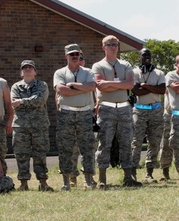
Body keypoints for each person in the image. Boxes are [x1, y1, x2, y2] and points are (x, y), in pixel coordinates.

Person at [93, 35, 141, 188]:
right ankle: (102, 179)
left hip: (124, 107)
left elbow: (130, 84)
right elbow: (100, 86)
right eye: (109, 44)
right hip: (106, 108)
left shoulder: (126, 64)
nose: (113, 47)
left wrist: (110, 84)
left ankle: (128, 177)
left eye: (115, 44)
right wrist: (121, 84)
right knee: (104, 143)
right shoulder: (98, 66)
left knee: (126, 142)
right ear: (103, 47)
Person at [53, 43, 97, 190]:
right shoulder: (59, 73)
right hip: (66, 113)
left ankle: (89, 180)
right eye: (72, 54)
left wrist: (72, 85)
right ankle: (66, 181)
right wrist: (81, 88)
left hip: (85, 112)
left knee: (87, 147)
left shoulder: (88, 71)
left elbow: (91, 87)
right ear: (66, 56)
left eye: (77, 54)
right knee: (66, 147)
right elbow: (60, 90)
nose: (75, 57)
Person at [10, 60, 53, 191]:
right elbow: (13, 103)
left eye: (30, 68)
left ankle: (43, 182)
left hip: (39, 125)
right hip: (21, 126)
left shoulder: (42, 85)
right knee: (21, 154)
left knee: (40, 153)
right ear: (21, 72)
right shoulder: (16, 87)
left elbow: (40, 100)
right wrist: (30, 102)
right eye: (25, 68)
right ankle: (23, 183)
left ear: (35, 72)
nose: (27, 69)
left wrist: (22, 102)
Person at [130, 47, 167, 183]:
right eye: (144, 55)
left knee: (154, 142)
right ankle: (133, 172)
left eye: (149, 55)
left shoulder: (159, 73)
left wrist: (144, 85)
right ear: (139, 57)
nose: (147, 57)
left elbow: (162, 90)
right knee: (136, 142)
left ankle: (149, 173)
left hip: (156, 110)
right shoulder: (133, 73)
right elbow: (136, 91)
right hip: (139, 111)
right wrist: (152, 88)